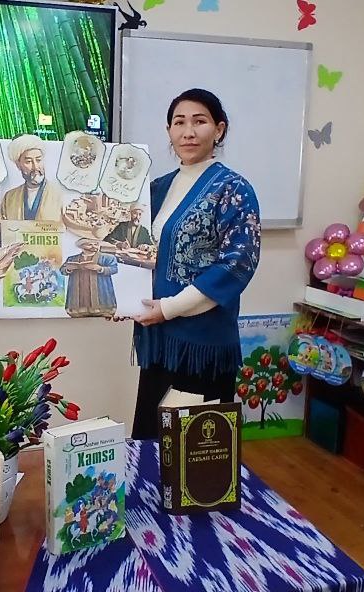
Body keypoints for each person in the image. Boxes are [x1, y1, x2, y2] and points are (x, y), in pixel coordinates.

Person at [129, 88, 261, 440]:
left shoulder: (233, 189)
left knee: (195, 451)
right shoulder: (156, 188)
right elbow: (135, 248)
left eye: (199, 121)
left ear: (219, 129)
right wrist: (120, 299)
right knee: (153, 439)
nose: (188, 132)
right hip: (159, 339)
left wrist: (170, 308)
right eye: (179, 122)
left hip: (202, 343)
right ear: (169, 131)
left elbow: (237, 264)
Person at [2, 134, 63, 221]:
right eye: (28, 161)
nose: (36, 167)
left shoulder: (59, 194)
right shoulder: (9, 198)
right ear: (18, 165)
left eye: (38, 160)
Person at [60, 238, 119, 317]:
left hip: (100, 288)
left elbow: (114, 269)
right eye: (90, 244)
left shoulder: (107, 257)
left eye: (96, 244)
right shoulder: (72, 259)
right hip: (79, 287)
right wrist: (68, 269)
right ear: (81, 246)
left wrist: (100, 268)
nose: (93, 246)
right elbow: (62, 270)